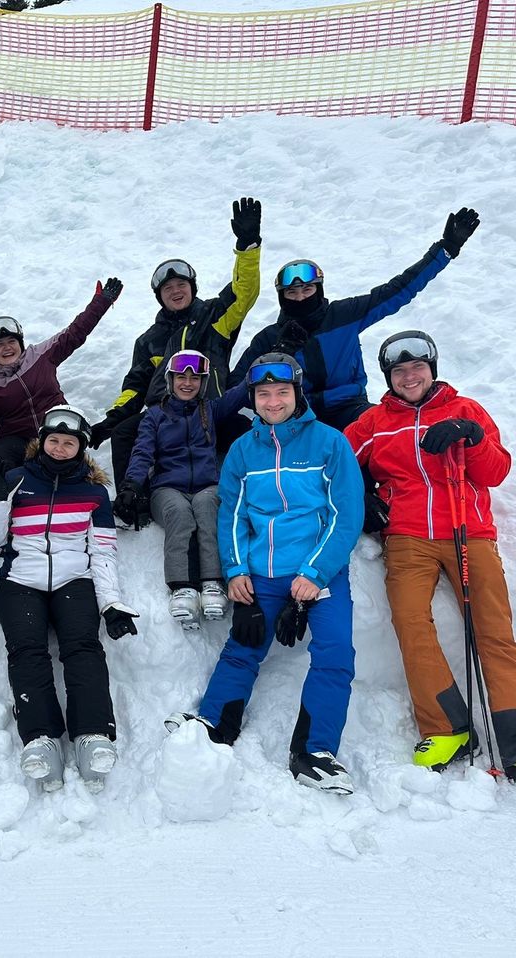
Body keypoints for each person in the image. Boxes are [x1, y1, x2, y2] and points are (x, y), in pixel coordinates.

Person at [345, 331, 516, 782]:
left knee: (494, 632)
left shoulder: (465, 409)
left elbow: (496, 471)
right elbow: (335, 465)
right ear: (388, 379)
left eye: (417, 368)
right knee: (412, 624)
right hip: (407, 537)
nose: (409, 377)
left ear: (432, 370)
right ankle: (447, 728)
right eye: (399, 371)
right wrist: (366, 498)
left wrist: (471, 437)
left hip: (468, 532)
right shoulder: (374, 422)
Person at [168, 353, 363, 794]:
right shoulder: (242, 450)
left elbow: (345, 515)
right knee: (243, 646)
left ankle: (315, 751)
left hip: (320, 573)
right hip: (262, 573)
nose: (273, 402)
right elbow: (232, 516)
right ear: (253, 398)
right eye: (263, 394)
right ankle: (215, 724)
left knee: (335, 654)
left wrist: (315, 572)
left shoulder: (330, 443)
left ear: (297, 393)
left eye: (281, 392)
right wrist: (236, 569)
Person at [0, 405, 140, 793]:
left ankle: (93, 733)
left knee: (83, 648)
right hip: (20, 581)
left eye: (70, 443)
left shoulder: (94, 492)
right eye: (54, 440)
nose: (61, 448)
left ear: (81, 447)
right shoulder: (16, 480)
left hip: (74, 580)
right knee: (27, 651)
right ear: (42, 442)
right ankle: (41, 737)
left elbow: (102, 552)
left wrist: (110, 603)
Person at [227, 207, 480, 431]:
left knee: (391, 431)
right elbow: (237, 387)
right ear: (282, 298)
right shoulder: (270, 338)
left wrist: (445, 250)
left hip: (349, 408)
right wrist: (279, 357)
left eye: (307, 290)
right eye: (291, 293)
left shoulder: (343, 315)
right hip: (295, 415)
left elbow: (398, 290)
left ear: (319, 289)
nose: (300, 297)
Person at [92, 198, 262, 488]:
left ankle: (259, 494)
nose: (175, 290)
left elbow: (242, 292)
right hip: (166, 416)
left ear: (192, 289)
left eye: (181, 285)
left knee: (247, 432)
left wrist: (247, 247)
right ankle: (130, 500)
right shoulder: (149, 340)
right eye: (167, 288)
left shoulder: (215, 317)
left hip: (211, 410)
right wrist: (111, 420)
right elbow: (134, 386)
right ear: (160, 296)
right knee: (124, 432)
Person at [0, 277, 123, 516]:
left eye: (12, 341)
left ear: (20, 342)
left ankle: (90, 508)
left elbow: (74, 333)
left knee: (70, 454)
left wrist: (102, 302)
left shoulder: (40, 356)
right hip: (17, 439)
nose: (7, 348)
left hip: (55, 428)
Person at [117, 350, 237, 628]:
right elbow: (142, 452)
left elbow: (242, 392)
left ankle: (212, 583)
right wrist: (132, 484)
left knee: (208, 510)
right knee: (180, 514)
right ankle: (181, 587)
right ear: (170, 381)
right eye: (181, 376)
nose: (188, 382)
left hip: (207, 485)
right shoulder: (155, 416)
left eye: (195, 378)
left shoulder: (210, 409)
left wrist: (276, 356)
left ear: (203, 383)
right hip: (167, 488)